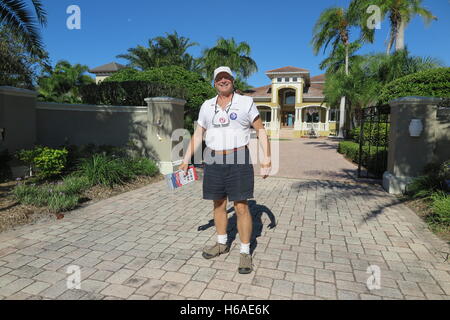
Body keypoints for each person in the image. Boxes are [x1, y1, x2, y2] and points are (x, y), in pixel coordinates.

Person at [179, 66, 271, 274]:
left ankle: (245, 252)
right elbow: (198, 135)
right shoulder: (206, 106)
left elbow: (261, 130)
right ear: (214, 83)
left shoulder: (245, 102)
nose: (223, 80)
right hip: (212, 158)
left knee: (241, 207)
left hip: (238, 157)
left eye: (226, 77)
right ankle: (221, 243)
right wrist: (186, 159)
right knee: (218, 203)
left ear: (232, 80)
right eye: (219, 78)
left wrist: (266, 158)